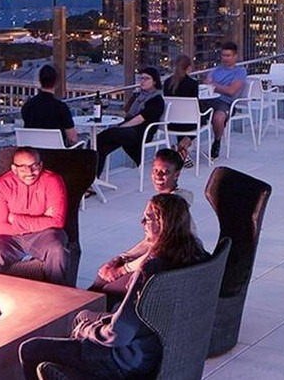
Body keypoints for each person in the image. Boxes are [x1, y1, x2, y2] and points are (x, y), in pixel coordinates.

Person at [19, 194, 209, 380]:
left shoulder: (151, 269)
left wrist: (87, 330)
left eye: (148, 217)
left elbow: (118, 335)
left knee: (30, 348)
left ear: (163, 223)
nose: (142, 221)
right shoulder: (196, 254)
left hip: (128, 361)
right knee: (82, 316)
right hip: (157, 346)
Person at [87, 149, 194, 309]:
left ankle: (94, 320)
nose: (158, 176)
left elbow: (156, 254)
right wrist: (120, 258)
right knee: (101, 279)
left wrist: (122, 270)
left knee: (107, 289)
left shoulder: (176, 203)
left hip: (166, 266)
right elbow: (150, 241)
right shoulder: (161, 201)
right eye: (155, 171)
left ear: (176, 175)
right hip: (157, 258)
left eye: (165, 172)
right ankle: (81, 310)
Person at [0, 147, 71, 284]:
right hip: (9, 237)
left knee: (57, 250)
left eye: (34, 166)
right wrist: (44, 219)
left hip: (45, 235)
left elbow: (57, 222)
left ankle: (58, 297)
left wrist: (16, 219)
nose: (29, 172)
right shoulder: (1, 185)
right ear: (14, 169)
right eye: (22, 167)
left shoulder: (53, 180)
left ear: (41, 165)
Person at [95, 67, 166, 172]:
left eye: (146, 79)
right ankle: (93, 176)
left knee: (104, 137)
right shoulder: (139, 97)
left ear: (155, 81)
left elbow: (140, 119)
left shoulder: (156, 99)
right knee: (101, 146)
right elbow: (128, 113)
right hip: (130, 129)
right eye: (141, 78)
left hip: (141, 132)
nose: (142, 81)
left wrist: (120, 127)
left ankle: (92, 175)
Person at [204, 41, 247, 160]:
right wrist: (216, 86)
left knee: (218, 118)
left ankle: (217, 141)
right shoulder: (215, 70)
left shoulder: (240, 72)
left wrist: (214, 85)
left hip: (226, 102)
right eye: (223, 55)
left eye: (228, 55)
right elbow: (207, 84)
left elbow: (231, 91)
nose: (225, 58)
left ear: (235, 56)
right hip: (208, 100)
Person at [21, 63, 80, 146]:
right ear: (56, 83)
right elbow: (72, 139)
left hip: (34, 155)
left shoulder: (27, 106)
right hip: (56, 155)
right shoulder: (61, 108)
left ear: (40, 80)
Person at [162, 55, 200, 167]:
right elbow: (195, 107)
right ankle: (185, 142)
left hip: (170, 124)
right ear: (188, 68)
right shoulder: (192, 84)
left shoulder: (167, 82)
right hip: (187, 125)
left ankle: (181, 149)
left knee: (182, 117)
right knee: (205, 117)